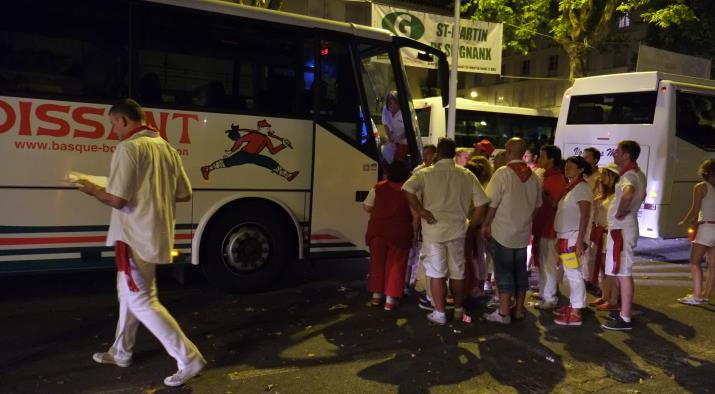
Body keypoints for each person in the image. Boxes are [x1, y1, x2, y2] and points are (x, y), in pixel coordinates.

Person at [77, 99, 205, 387]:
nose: (113, 130)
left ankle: (189, 357)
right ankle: (121, 351)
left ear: (123, 120)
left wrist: (92, 189)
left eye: (113, 124)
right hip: (154, 233)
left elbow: (117, 199)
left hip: (133, 236)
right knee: (128, 294)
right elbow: (184, 193)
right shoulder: (167, 148)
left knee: (143, 300)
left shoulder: (129, 148)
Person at [403, 138, 490, 325]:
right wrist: (471, 225)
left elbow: (407, 189)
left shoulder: (426, 174)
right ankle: (458, 309)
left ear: (438, 154)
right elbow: (483, 203)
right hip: (458, 229)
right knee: (458, 273)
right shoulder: (466, 174)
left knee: (436, 273)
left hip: (433, 231)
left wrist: (420, 210)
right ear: (454, 153)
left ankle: (440, 312)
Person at [482, 138, 542, 324]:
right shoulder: (534, 177)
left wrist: (486, 223)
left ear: (508, 151)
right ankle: (518, 311)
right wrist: (526, 220)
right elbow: (538, 206)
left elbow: (491, 203)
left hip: (503, 232)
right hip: (523, 232)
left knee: (504, 272)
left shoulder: (503, 173)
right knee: (520, 272)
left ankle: (503, 313)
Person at [602, 140, 646, 331]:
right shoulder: (638, 173)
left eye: (618, 151)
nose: (614, 154)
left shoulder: (629, 175)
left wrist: (620, 211)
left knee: (623, 272)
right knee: (623, 272)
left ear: (626, 155)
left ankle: (625, 317)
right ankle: (624, 312)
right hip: (625, 227)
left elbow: (628, 194)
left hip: (622, 228)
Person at [363, 161, 419, 310]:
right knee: (396, 265)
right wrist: (414, 232)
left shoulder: (378, 187)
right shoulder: (408, 190)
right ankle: (390, 300)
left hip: (377, 231)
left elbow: (367, 207)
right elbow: (415, 215)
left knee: (377, 262)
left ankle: (376, 296)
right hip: (399, 232)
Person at [552, 156, 593, 326]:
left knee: (573, 273)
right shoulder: (572, 188)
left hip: (572, 237)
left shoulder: (581, 188)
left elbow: (584, 215)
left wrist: (579, 241)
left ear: (581, 169)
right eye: (566, 166)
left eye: (571, 166)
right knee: (571, 273)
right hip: (566, 236)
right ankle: (573, 305)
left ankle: (576, 311)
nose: (567, 168)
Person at [200, 121, 298, 181]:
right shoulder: (253, 135)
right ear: (260, 128)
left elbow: (272, 151)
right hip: (244, 154)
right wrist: (232, 150)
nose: (269, 129)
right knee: (227, 162)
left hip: (254, 156)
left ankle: (287, 175)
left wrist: (283, 145)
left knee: (270, 162)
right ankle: (207, 168)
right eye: (267, 127)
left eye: (269, 127)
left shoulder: (267, 139)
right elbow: (240, 141)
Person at [532, 145, 567, 310]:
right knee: (542, 261)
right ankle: (543, 293)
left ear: (552, 159)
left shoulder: (556, 178)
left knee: (549, 264)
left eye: (542, 156)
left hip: (550, 226)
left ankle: (550, 298)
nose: (539, 160)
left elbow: (553, 203)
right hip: (542, 224)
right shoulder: (546, 176)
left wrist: (540, 192)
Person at [676, 159, 715, 305]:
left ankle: (697, 296)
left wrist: (684, 221)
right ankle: (705, 295)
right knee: (713, 265)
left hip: (706, 228)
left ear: (705, 172)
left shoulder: (701, 187)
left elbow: (695, 209)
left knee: (694, 263)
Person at [589, 163, 621, 311]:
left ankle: (613, 299)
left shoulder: (617, 195)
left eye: (604, 174)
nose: (601, 177)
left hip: (611, 235)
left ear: (613, 177)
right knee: (603, 267)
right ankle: (605, 295)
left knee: (612, 269)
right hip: (602, 233)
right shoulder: (605, 194)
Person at [463, 157, 494, 300]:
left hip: (476, 227)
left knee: (476, 257)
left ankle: (477, 286)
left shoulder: (478, 188)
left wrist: (473, 224)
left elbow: (480, 208)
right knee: (477, 257)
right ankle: (476, 285)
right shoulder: (479, 187)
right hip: (476, 226)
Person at [581, 147, 601, 290]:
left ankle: (590, 279)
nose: (584, 159)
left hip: (593, 217)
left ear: (595, 160)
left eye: (587, 157)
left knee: (591, 250)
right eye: (584, 156)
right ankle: (584, 276)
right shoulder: (583, 176)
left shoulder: (600, 178)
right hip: (581, 216)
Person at [382, 91, 408, 162]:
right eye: (390, 103)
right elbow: (385, 124)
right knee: (385, 159)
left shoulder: (404, 112)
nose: (392, 106)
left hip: (404, 141)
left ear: (399, 103)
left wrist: (401, 137)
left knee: (397, 160)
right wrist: (390, 138)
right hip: (393, 139)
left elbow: (410, 129)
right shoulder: (385, 110)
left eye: (395, 103)